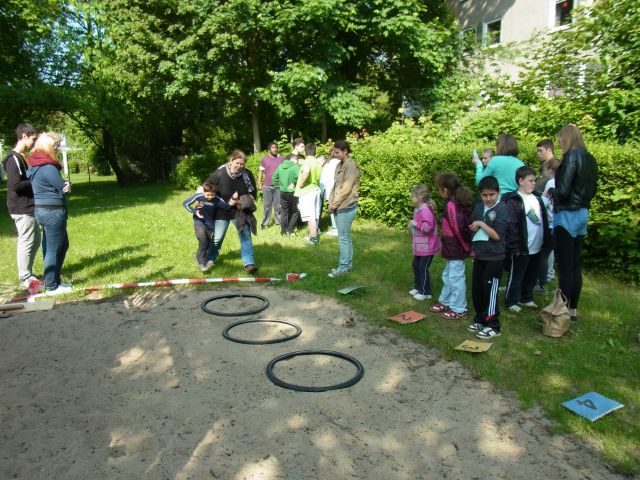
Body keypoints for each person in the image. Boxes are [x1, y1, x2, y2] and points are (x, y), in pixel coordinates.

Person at [550, 124, 598, 322]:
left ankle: (561, 310)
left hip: (567, 214)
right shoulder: (590, 158)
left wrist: (551, 192)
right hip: (582, 212)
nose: (559, 142)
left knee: (564, 265)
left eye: (560, 139)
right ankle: (572, 310)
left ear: (566, 138)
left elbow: (563, 190)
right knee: (575, 264)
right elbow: (593, 189)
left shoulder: (570, 157)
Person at [27, 132, 72, 295]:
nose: (58, 148)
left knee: (56, 245)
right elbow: (61, 186)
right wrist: (67, 186)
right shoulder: (48, 167)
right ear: (48, 147)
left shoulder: (34, 164)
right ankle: (52, 286)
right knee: (55, 248)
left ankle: (54, 280)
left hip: (41, 209)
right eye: (56, 146)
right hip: (53, 211)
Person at [503, 166, 552, 313]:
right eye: (530, 181)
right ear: (521, 181)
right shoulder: (514, 200)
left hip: (537, 245)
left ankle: (526, 297)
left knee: (532, 274)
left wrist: (546, 241)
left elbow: (542, 220)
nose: (534, 183)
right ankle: (511, 300)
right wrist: (514, 246)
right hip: (522, 247)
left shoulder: (537, 198)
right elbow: (511, 226)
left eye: (534, 180)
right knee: (517, 275)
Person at [467, 176, 508, 339]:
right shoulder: (479, 208)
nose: (488, 198)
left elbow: (497, 236)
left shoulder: (502, 210)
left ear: (498, 192)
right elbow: (474, 228)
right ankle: (480, 318)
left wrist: (482, 224)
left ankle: (493, 324)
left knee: (490, 290)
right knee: (478, 288)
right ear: (480, 194)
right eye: (485, 195)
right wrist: (473, 229)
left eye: (492, 194)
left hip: (495, 257)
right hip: (480, 255)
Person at [205, 150, 259, 274]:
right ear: (231, 161)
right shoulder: (220, 173)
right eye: (237, 163)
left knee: (245, 234)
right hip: (222, 209)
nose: (239, 166)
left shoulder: (247, 174)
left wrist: (240, 201)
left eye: (242, 164)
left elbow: (253, 193)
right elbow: (207, 187)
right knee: (218, 237)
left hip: (239, 210)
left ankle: (249, 263)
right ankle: (209, 259)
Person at [3, 123, 42, 288]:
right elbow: (17, 185)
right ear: (24, 136)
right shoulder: (13, 159)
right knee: (26, 241)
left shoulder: (21, 157)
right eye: (33, 139)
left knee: (35, 240)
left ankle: (28, 273)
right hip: (21, 207)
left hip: (28, 205)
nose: (34, 143)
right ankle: (24, 276)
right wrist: (36, 178)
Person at [430, 173, 473, 319]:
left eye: (439, 189)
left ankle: (459, 309)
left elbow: (458, 229)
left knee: (456, 278)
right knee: (448, 275)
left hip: (456, 247)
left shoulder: (452, 204)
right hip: (451, 246)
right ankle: (446, 301)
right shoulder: (452, 202)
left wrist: (467, 247)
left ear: (445, 189)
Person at [182, 181, 235, 272]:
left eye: (212, 195)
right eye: (207, 195)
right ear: (203, 192)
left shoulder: (218, 200)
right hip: (199, 222)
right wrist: (195, 211)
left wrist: (232, 203)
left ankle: (198, 257)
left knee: (206, 244)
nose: (210, 197)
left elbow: (226, 207)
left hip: (210, 226)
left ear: (215, 193)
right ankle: (202, 263)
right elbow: (185, 203)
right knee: (203, 240)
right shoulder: (198, 197)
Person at [327, 140, 360, 278]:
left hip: (346, 206)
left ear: (345, 151)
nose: (334, 154)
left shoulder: (351, 166)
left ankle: (343, 267)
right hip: (338, 205)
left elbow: (346, 189)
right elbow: (335, 186)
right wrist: (330, 201)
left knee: (343, 238)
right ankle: (348, 265)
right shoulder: (339, 164)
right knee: (345, 236)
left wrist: (334, 204)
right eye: (333, 152)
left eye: (337, 152)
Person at [408, 184, 440, 300]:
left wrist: (415, 224)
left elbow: (428, 227)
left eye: (413, 196)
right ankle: (418, 287)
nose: (411, 197)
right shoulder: (417, 209)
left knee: (422, 267)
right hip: (421, 244)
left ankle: (426, 292)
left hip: (428, 245)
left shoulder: (425, 210)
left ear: (420, 197)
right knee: (416, 265)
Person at [294, 143, 323, 245]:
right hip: (316, 189)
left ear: (306, 152)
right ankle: (311, 235)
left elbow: (306, 172)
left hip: (307, 191)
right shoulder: (317, 162)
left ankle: (313, 239)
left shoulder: (307, 161)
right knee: (315, 215)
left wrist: (301, 183)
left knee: (310, 217)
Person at [272, 154, 300, 237]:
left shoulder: (280, 166)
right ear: (294, 160)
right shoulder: (295, 167)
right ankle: (290, 231)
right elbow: (299, 177)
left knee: (284, 211)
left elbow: (274, 178)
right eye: (297, 160)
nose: (298, 161)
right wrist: (294, 183)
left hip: (283, 192)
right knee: (295, 211)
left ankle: (283, 231)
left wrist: (278, 187)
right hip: (293, 192)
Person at [257, 142, 283, 229]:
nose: (275, 149)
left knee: (278, 206)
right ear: (269, 149)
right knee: (267, 206)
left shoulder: (282, 159)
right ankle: (265, 224)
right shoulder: (264, 159)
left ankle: (278, 223)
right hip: (267, 186)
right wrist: (259, 183)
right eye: (273, 147)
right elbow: (261, 171)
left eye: (276, 147)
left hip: (278, 186)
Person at [319, 153, 340, 236]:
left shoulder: (327, 165)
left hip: (330, 190)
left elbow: (323, 180)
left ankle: (335, 229)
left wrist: (321, 192)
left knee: (332, 209)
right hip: (342, 190)